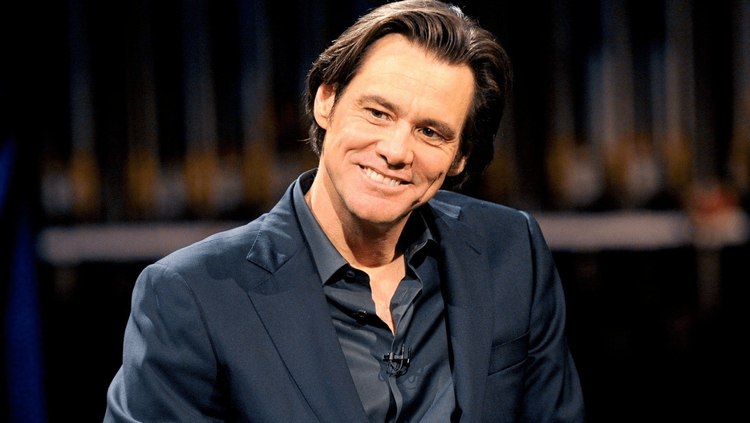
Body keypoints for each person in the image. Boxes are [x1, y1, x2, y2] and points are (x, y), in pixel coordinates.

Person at [104, 1, 585, 422]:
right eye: (378, 113)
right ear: (326, 101)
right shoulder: (192, 294)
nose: (395, 151)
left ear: (460, 157)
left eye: (430, 132)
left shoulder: (511, 251)